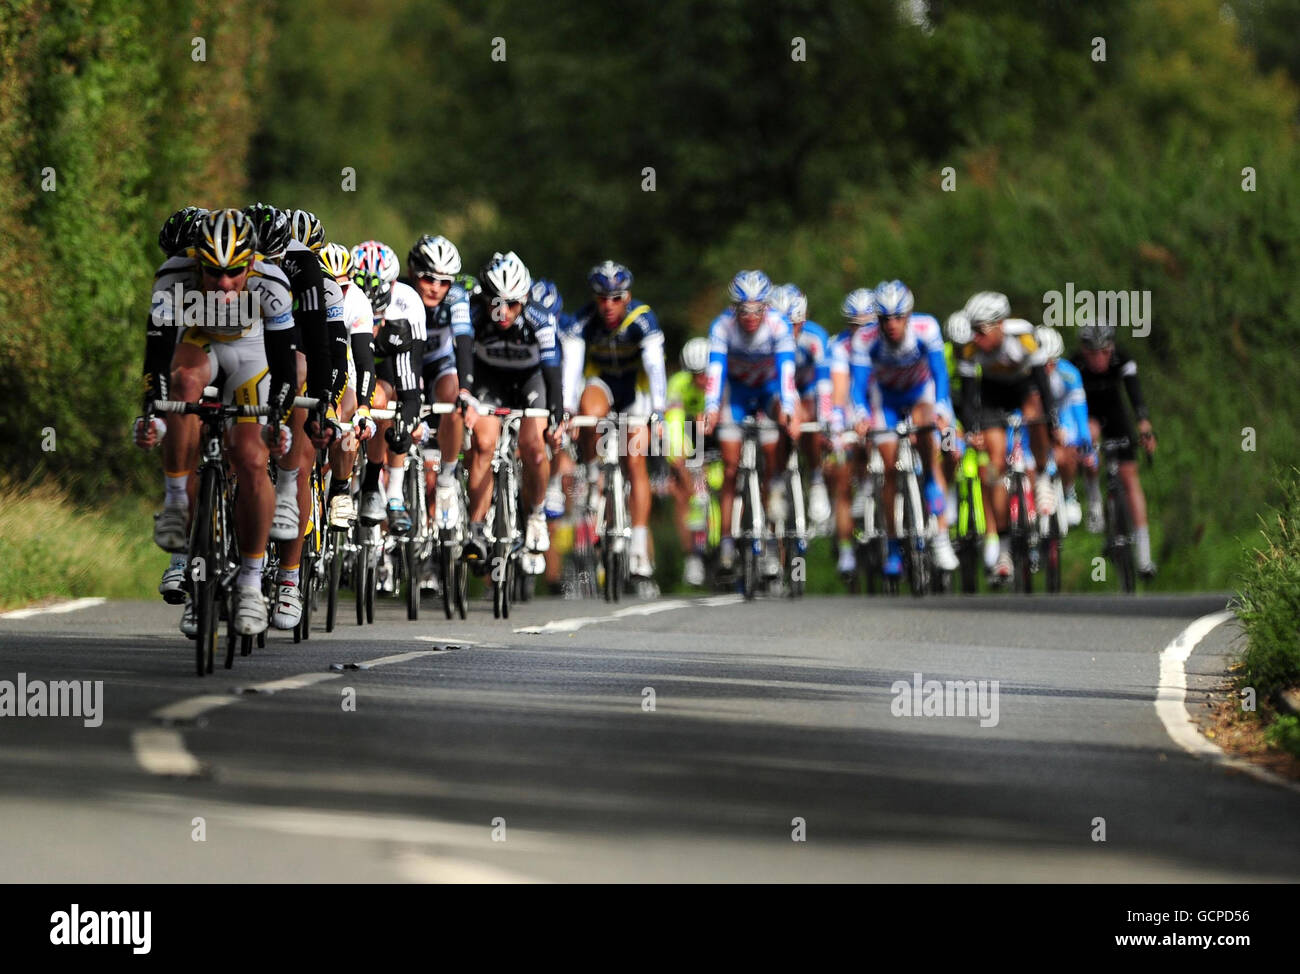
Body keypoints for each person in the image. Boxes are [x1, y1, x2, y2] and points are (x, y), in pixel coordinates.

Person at [141, 208, 296, 635]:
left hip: (252, 353)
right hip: (201, 345)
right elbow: (155, 357)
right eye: (212, 272)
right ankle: (176, 503)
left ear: (250, 262)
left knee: (249, 458)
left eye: (234, 272)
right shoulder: (173, 276)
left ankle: (249, 583)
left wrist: (277, 419)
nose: (224, 283)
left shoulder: (272, 283)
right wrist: (151, 410)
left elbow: (283, 365)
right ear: (196, 262)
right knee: (183, 383)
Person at [458, 252, 564, 566]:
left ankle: (536, 514)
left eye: (513, 304)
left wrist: (556, 415)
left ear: (525, 299)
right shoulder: (474, 314)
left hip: (530, 381)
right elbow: (462, 354)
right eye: (496, 303)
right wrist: (466, 393)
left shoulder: (541, 318)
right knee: (483, 445)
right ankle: (476, 527)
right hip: (490, 380)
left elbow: (552, 369)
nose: (503, 312)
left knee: (533, 447)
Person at [849, 280, 961, 577]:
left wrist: (941, 409)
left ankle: (940, 536)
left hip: (920, 395)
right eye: (885, 319)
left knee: (931, 449)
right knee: (888, 468)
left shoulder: (927, 328)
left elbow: (940, 374)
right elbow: (858, 387)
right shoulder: (865, 338)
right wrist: (860, 415)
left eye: (899, 317)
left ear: (909, 315)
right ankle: (894, 546)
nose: (892, 325)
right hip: (885, 399)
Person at [566, 261, 668, 582]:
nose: (609, 305)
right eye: (602, 299)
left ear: (628, 297)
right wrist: (568, 411)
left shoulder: (643, 319)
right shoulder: (583, 321)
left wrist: (659, 411)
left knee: (635, 461)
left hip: (635, 390)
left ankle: (638, 544)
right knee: (588, 412)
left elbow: (654, 366)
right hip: (603, 385)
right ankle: (593, 469)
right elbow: (572, 367)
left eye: (617, 298)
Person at [956, 291, 1059, 583]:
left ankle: (1040, 475)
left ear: (1000, 324)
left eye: (981, 330)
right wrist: (972, 429)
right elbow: (967, 396)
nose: (975, 337)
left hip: (1022, 388)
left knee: (1036, 411)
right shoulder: (969, 348)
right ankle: (1002, 547)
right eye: (972, 330)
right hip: (991, 395)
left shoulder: (1025, 335)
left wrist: (1052, 422)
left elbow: (1041, 380)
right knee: (994, 465)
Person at [701, 270, 799, 575]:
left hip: (768, 391)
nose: (751, 316)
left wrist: (789, 407)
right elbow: (715, 370)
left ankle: (771, 538)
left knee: (772, 459)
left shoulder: (778, 326)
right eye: (745, 310)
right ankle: (728, 543)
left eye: (758, 309)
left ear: (767, 307)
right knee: (731, 468)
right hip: (737, 394)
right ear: (735, 308)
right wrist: (711, 407)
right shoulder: (722, 326)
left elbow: (786, 372)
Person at [1071, 321, 1157, 576]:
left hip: (1116, 416)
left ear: (1112, 348)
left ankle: (1144, 554)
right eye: (1093, 353)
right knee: (1091, 436)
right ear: (1084, 351)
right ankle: (1095, 500)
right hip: (1089, 416)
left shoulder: (1122, 359)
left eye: (1104, 352)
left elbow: (1135, 393)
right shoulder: (1075, 364)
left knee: (1130, 478)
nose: (1099, 359)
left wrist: (1144, 424)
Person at [769, 283, 833, 530]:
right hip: (777, 390)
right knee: (781, 423)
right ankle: (775, 481)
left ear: (803, 321)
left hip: (807, 389)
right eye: (783, 325)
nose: (788, 331)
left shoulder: (815, 337)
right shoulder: (766, 337)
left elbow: (825, 382)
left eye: (794, 325)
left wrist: (825, 416)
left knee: (808, 418)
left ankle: (817, 480)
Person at [1035, 325, 1092, 527]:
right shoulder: (1026, 374)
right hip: (1036, 420)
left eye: (1053, 362)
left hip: (1063, 415)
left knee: (1067, 446)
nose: (1048, 367)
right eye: (1043, 363)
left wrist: (1084, 441)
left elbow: (1078, 409)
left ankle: (1068, 491)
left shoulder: (1069, 374)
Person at [665, 337, 710, 585]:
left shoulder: (721, 381)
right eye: (695, 374)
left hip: (716, 435)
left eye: (705, 373)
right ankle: (692, 557)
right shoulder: (679, 384)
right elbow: (673, 424)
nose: (701, 379)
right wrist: (678, 456)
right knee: (681, 493)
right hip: (690, 435)